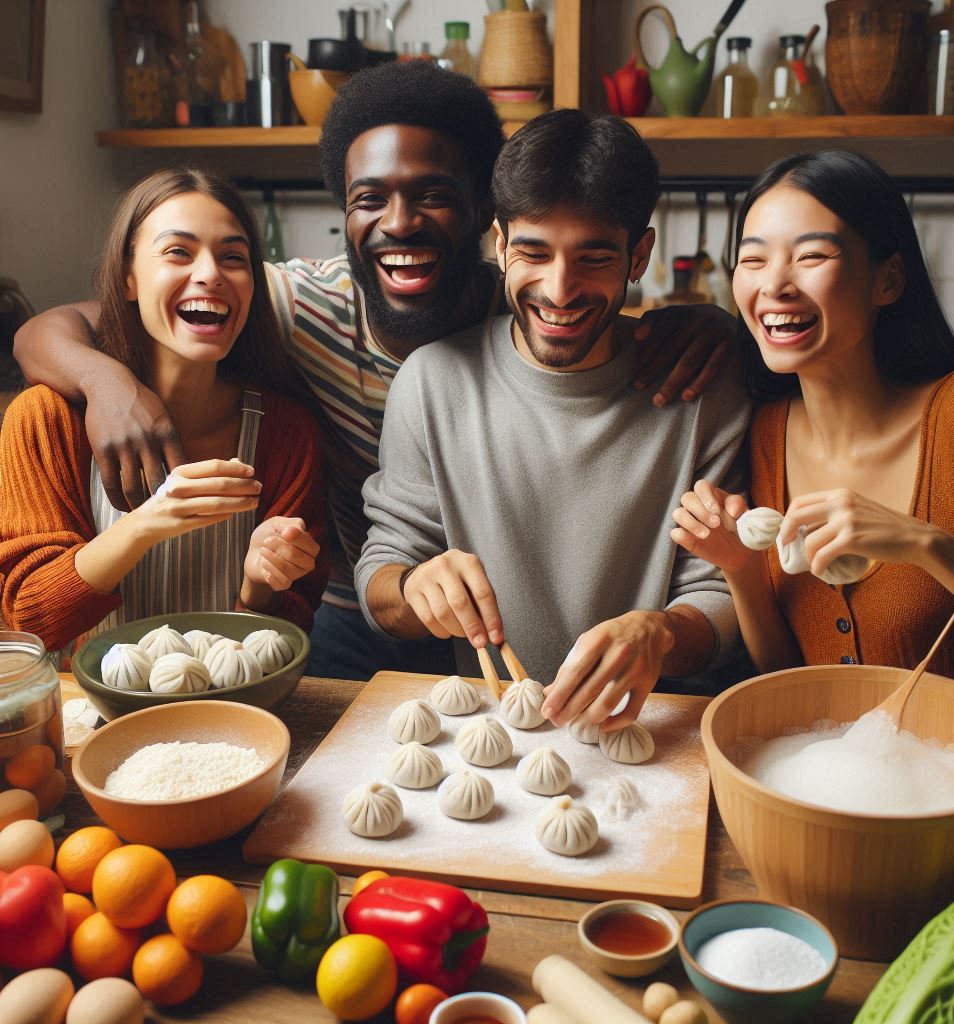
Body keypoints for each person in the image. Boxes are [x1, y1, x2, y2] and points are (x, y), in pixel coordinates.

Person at [14, 62, 734, 680]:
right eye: (370, 199)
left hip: (477, 626)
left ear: (485, 214)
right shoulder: (279, 300)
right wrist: (105, 380)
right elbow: (67, 323)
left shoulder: (537, 313)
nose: (400, 223)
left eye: (432, 195)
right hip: (356, 610)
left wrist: (713, 324)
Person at [356, 109, 750, 731]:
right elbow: (382, 572)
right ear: (500, 243)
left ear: (639, 254)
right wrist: (412, 589)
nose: (560, 290)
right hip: (491, 732)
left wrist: (662, 633)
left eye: (593, 258)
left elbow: (721, 597)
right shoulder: (432, 382)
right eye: (534, 252)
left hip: (650, 728)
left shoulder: (703, 389)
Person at [672, 150, 954, 691]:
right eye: (753, 259)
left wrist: (927, 546)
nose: (775, 285)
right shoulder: (765, 429)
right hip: (820, 770)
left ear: (888, 280)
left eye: (811, 256)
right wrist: (740, 570)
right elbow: (786, 680)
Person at [0, 168, 327, 651]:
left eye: (233, 257)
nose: (211, 273)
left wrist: (261, 587)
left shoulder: (287, 433)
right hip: (82, 719)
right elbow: (30, 620)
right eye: (178, 251)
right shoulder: (45, 419)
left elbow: (290, 631)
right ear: (128, 278)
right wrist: (148, 523)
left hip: (236, 714)